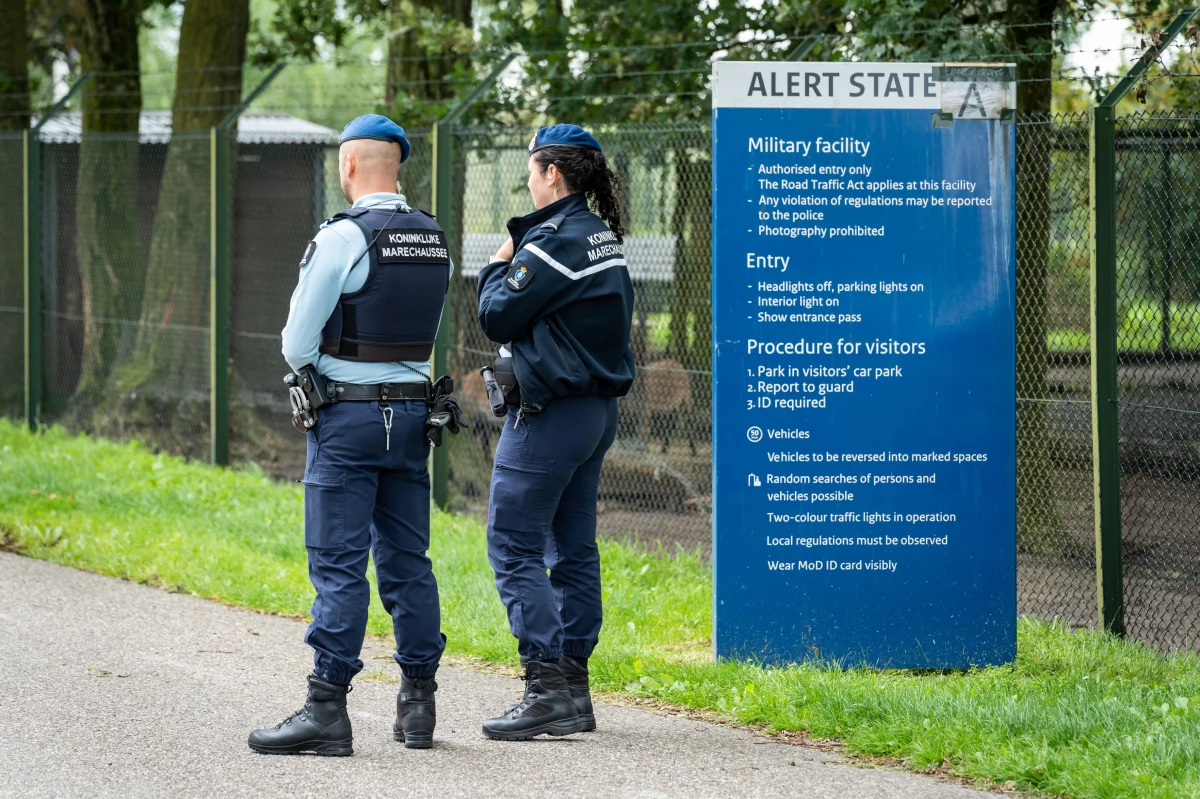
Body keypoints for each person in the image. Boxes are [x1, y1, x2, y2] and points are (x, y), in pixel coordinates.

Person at [248, 114, 452, 756]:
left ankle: (326, 710)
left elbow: (293, 342)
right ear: (399, 166)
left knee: (338, 566)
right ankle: (419, 706)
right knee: (408, 564)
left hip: (349, 419)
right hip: (414, 419)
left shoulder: (343, 237)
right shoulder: (433, 238)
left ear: (349, 166)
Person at [475, 124, 635, 740]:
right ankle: (574, 689)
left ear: (553, 174)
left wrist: (496, 267)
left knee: (512, 544)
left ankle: (544, 688)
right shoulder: (602, 238)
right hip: (593, 414)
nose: (530, 181)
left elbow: (496, 315)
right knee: (571, 548)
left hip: (550, 415)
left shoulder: (553, 240)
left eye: (532, 171)